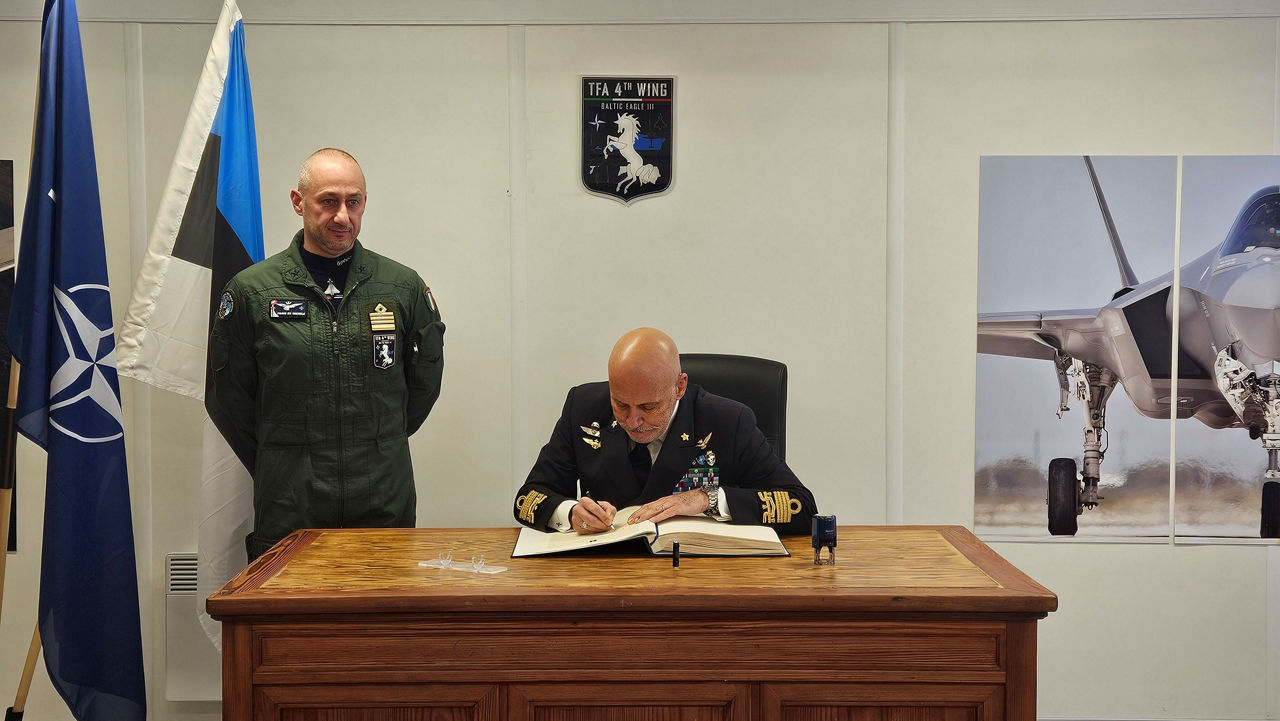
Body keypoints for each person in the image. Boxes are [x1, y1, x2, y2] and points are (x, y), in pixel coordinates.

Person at [208, 148, 445, 561]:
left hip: (382, 498)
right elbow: (228, 399)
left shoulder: (400, 287)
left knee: (380, 618)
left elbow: (423, 384)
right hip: (290, 501)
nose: (342, 216)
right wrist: (286, 455)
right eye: (328, 201)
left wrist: (374, 442)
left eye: (353, 202)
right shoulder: (252, 291)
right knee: (290, 623)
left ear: (364, 203)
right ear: (299, 202)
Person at [514, 328, 816, 535]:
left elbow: (801, 507)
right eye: (620, 404)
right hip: (606, 575)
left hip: (700, 578)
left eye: (648, 407)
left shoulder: (728, 421)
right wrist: (569, 513)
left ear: (679, 387)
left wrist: (708, 499)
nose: (633, 421)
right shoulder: (583, 406)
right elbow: (528, 498)